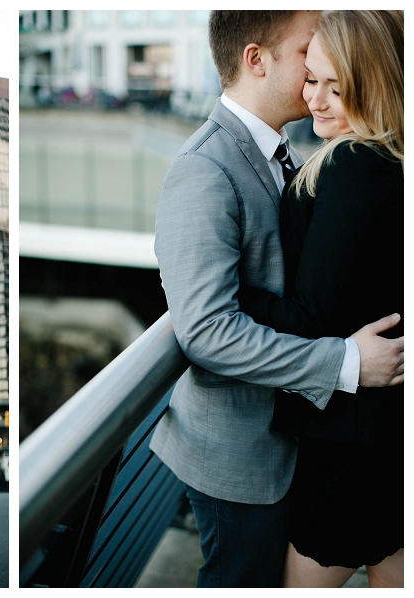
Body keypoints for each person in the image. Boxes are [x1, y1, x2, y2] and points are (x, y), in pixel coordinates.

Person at [151, 10, 404, 587]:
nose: (313, 83)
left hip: (296, 441)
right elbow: (207, 328)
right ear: (256, 59)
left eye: (330, 79)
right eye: (304, 59)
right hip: (241, 458)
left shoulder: (297, 150)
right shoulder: (203, 168)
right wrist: (343, 361)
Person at [236, 11, 403, 587]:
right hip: (382, 428)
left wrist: (228, 297)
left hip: (350, 442)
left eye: (339, 86)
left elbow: (310, 318)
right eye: (312, 79)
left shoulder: (355, 165)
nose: (318, 100)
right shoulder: (387, 158)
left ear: (376, 81)